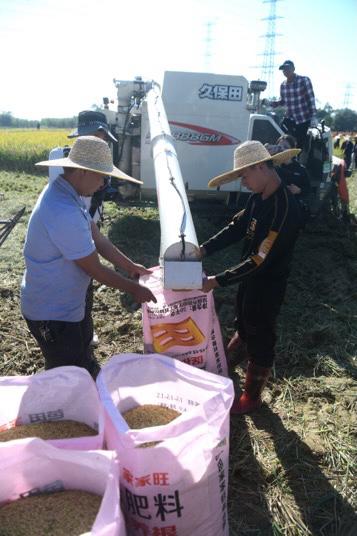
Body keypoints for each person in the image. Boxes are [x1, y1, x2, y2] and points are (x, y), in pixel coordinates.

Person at [21, 136, 156, 378]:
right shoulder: (63, 210)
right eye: (102, 175)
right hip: (52, 313)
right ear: (82, 171)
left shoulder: (70, 194)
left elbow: (99, 239)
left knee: (81, 355)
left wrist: (130, 266)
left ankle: (88, 381)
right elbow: (95, 269)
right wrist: (134, 289)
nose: (104, 183)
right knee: (66, 374)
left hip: (69, 303)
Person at [200, 140, 301, 414]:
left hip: (268, 281)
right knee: (244, 320)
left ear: (260, 167)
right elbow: (237, 227)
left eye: (244, 175)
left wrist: (217, 280)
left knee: (261, 331)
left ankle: (252, 396)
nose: (243, 182)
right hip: (250, 276)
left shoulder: (285, 208)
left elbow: (261, 259)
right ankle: (229, 360)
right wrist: (204, 249)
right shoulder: (258, 198)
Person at [49, 110, 117, 224]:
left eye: (104, 140)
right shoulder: (57, 156)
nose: (101, 144)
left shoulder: (56, 155)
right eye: (97, 138)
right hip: (72, 224)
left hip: (88, 224)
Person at [263, 60, 317, 150]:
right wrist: (270, 104)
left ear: (293, 69)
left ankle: (295, 161)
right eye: (283, 69)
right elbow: (283, 101)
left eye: (288, 68)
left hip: (302, 119)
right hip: (289, 118)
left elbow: (310, 99)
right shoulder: (283, 85)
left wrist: (313, 116)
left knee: (298, 145)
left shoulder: (304, 80)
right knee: (281, 137)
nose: (285, 71)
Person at [267, 134, 311, 225]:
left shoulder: (301, 169)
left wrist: (299, 191)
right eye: (280, 146)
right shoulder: (272, 167)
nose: (282, 149)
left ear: (292, 149)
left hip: (292, 212)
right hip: (273, 211)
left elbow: (308, 190)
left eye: (286, 147)